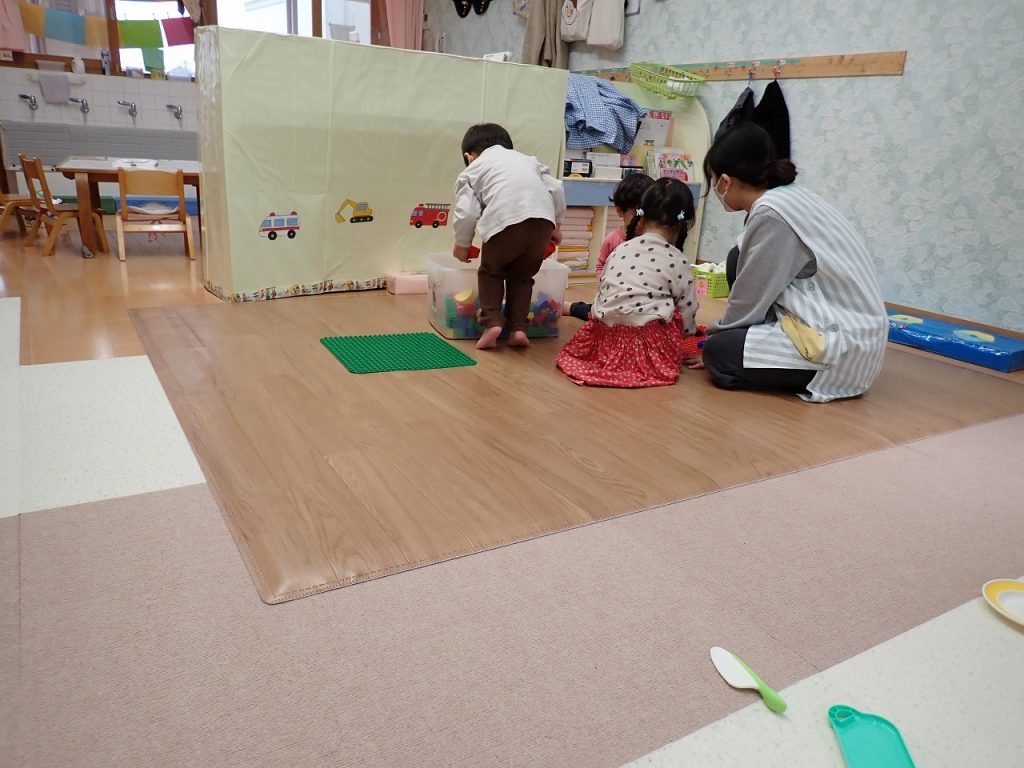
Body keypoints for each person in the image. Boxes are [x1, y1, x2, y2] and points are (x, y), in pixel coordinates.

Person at [700, 123, 887, 402]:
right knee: (736, 256)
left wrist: (712, 338)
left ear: (725, 182)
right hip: (850, 327)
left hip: (841, 347)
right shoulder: (788, 196)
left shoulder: (771, 214)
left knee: (719, 353)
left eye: (714, 180)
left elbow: (751, 295)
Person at [556, 178, 701, 387]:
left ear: (641, 218)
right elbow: (687, 313)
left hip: (604, 342)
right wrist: (686, 336)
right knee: (674, 311)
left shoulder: (619, 249)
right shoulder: (678, 260)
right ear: (682, 224)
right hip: (647, 350)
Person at [452, 123, 566, 350]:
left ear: (469, 156)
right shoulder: (530, 161)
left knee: (491, 272)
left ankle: (492, 323)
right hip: (542, 222)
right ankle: (518, 329)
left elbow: (467, 211)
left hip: (504, 221)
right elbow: (556, 189)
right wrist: (556, 226)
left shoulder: (471, 171)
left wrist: (462, 244)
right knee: (522, 276)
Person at [563, 172, 654, 321]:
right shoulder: (613, 239)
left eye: (648, 214)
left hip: (644, 302)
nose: (642, 221)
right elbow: (601, 265)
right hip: (614, 299)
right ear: (619, 211)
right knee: (597, 314)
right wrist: (604, 286)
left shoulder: (653, 241)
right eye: (636, 214)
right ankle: (571, 307)